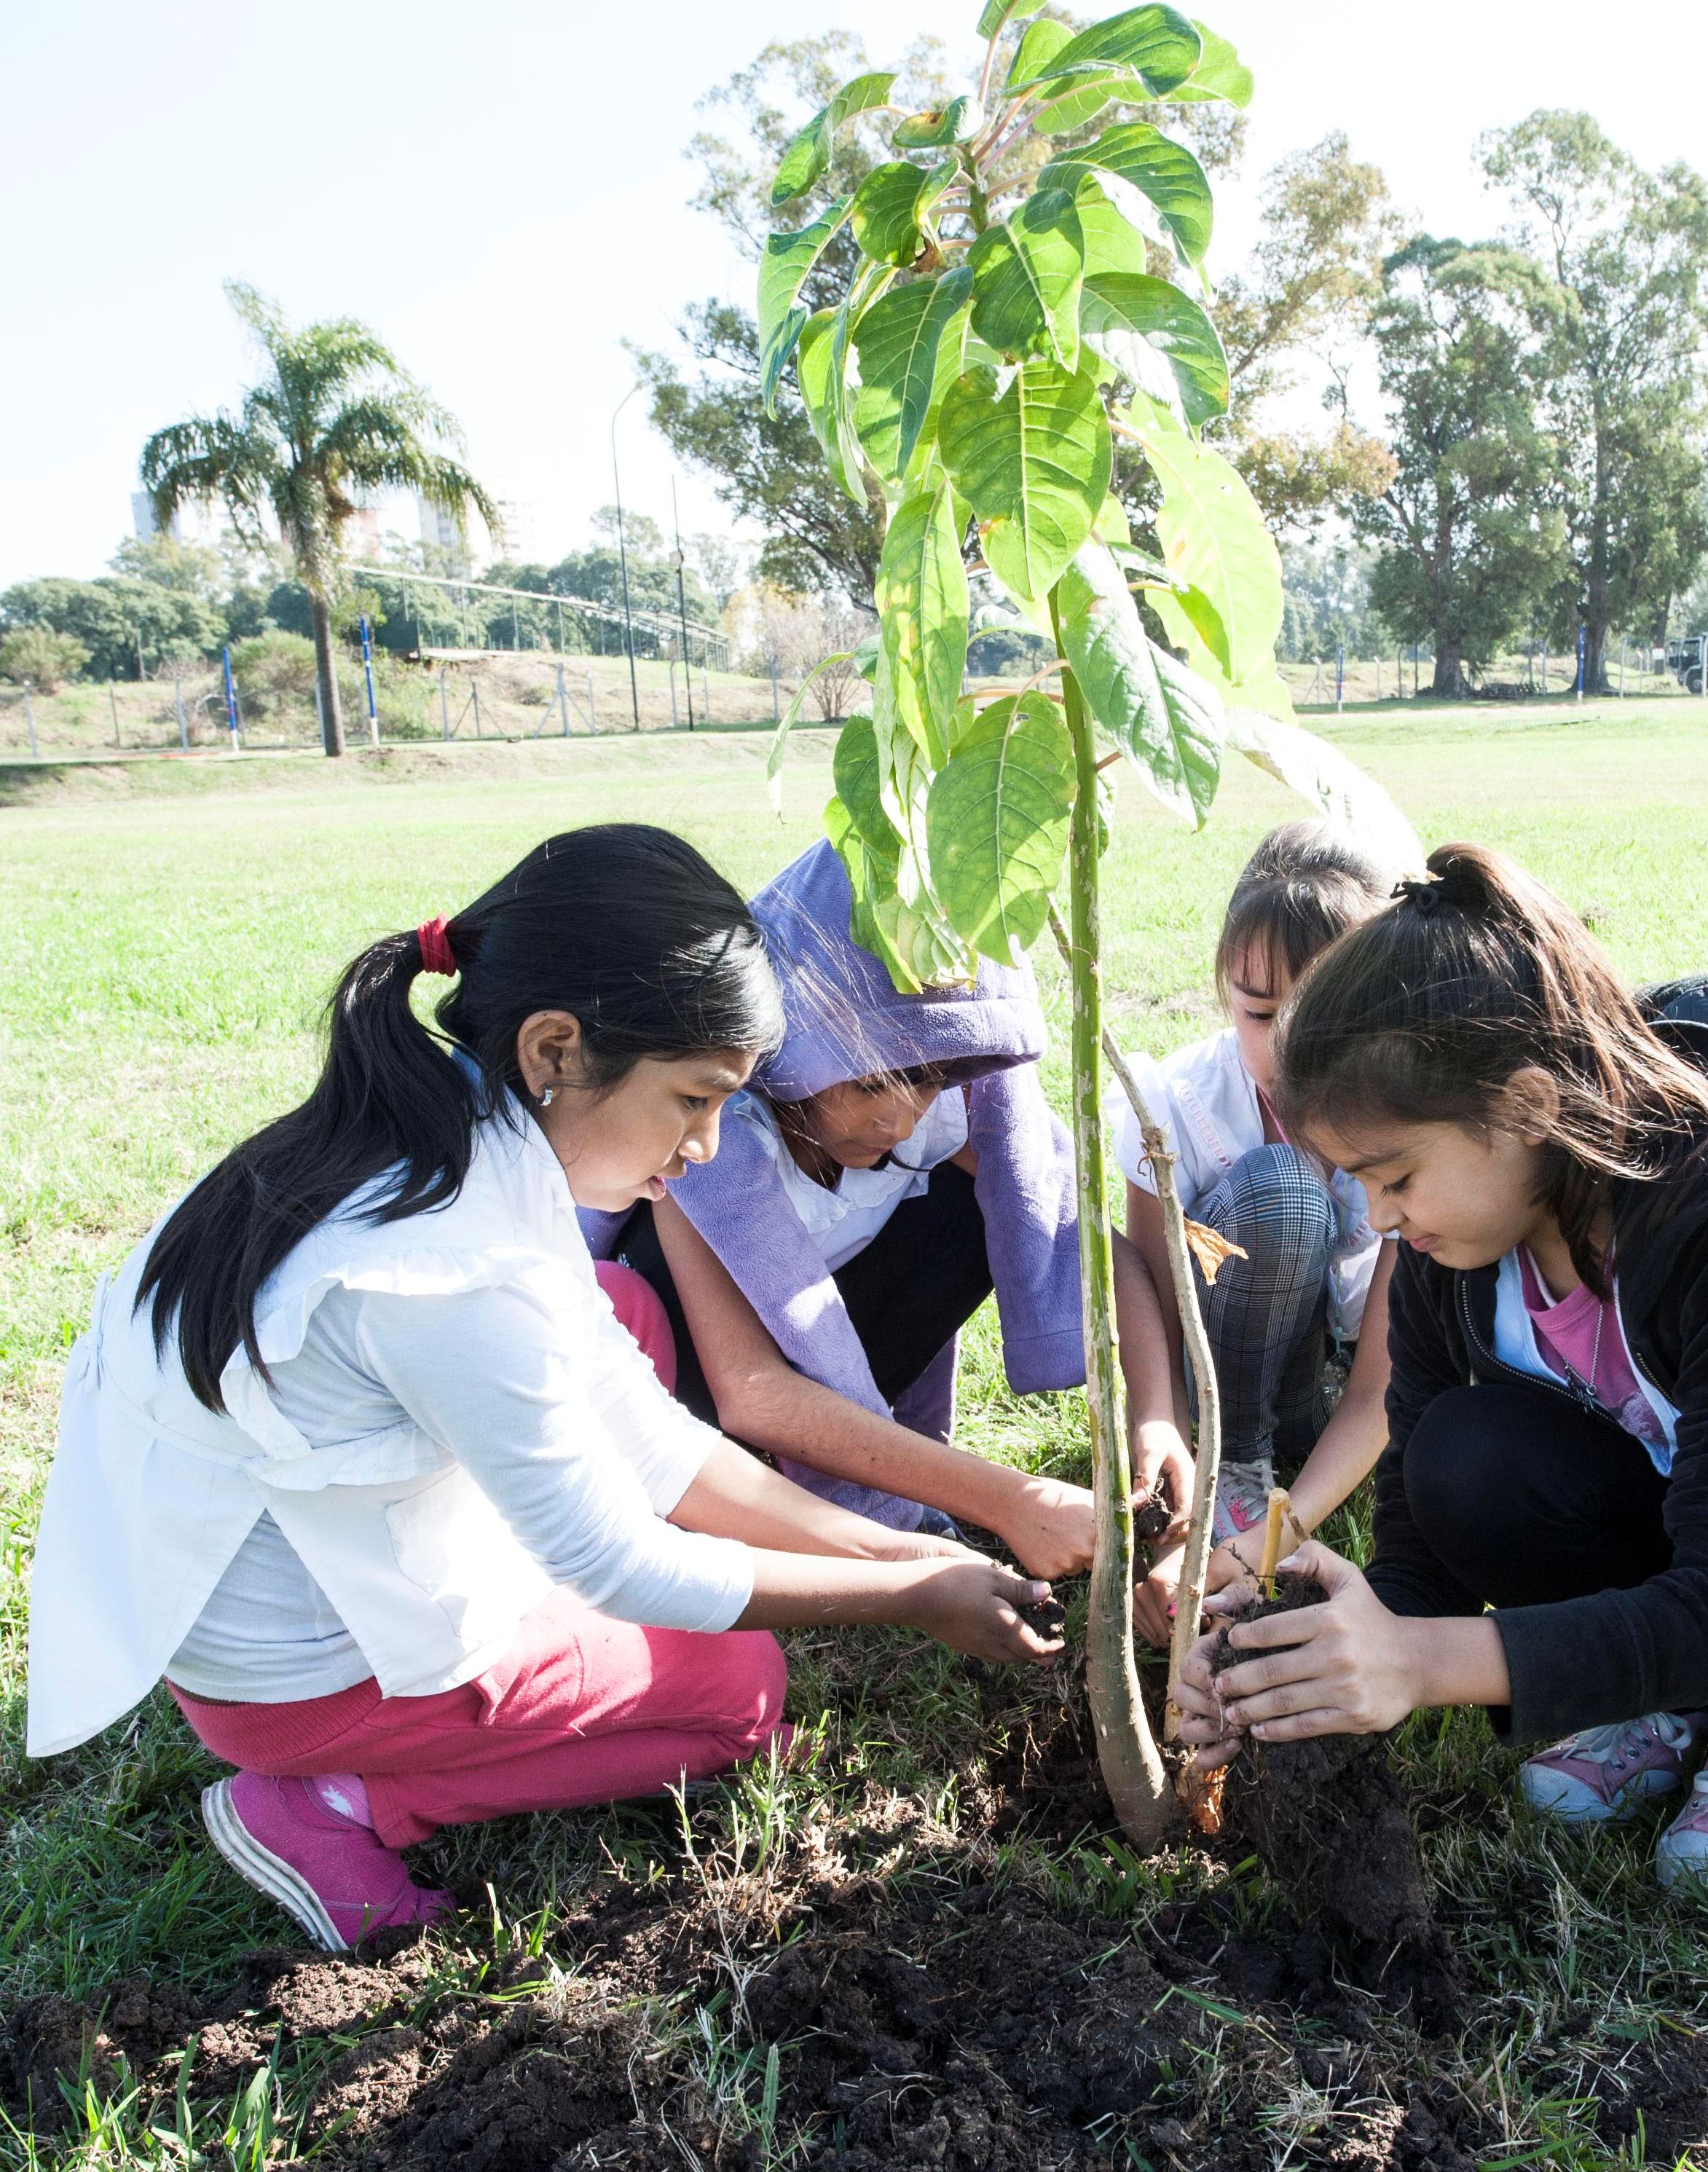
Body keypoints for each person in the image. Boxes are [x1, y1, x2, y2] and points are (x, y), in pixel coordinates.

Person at [27, 825, 1058, 1953]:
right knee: (741, 1691)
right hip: (302, 1680)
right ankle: (330, 1801)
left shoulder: (452, 1123)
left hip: (256, 1561)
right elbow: (620, 1564)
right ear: (555, 1048)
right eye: (693, 1099)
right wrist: (909, 1596)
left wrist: (911, 1554)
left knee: (623, 1313)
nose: (706, 1145)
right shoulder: (447, 1267)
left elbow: (647, 1434)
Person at [1174, 843, 1708, 1908]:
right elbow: (1419, 1558)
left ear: (1527, 1105)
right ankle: (1670, 1698)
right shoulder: (1452, 1245)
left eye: (1395, 1177)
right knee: (1460, 1454)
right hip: (1696, 1529)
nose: (1380, 1219)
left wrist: (1421, 1662)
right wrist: (1294, 1658)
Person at [598, 837, 1189, 1588]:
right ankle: (794, 1496)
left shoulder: (938, 1114)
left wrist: (1157, 1419)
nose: (902, 1119)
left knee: (999, 1199)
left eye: (930, 1077)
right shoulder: (706, 1137)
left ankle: (879, 1449)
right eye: (870, 1083)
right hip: (692, 1401)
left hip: (830, 1359)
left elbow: (1090, 1245)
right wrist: (1008, 1500)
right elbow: (752, 1393)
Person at [1110, 822, 1412, 1586]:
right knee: (1284, 1193)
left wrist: (1274, 1540)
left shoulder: (1414, 1125)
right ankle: (1233, 1462)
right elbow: (1157, 1309)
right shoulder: (1174, 1108)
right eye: (1261, 1014)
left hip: (1330, 1391)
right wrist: (1168, 1463)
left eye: (1330, 1021)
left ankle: (1283, 1461)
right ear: (1225, 995)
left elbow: (1378, 1384)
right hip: (1215, 1389)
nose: (1291, 1052)